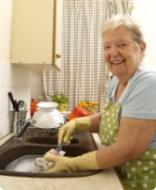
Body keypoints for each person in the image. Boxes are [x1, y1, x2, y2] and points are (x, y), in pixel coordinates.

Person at [44, 14, 156, 190]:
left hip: (142, 181)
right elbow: (113, 118)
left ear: (141, 48)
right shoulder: (117, 80)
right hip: (120, 173)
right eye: (107, 46)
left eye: (122, 45)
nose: (113, 52)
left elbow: (127, 150)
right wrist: (76, 124)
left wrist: (71, 164)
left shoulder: (147, 82)